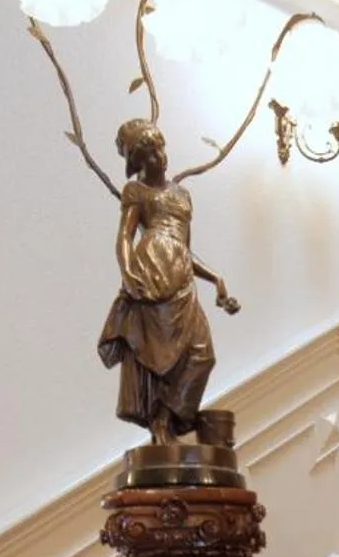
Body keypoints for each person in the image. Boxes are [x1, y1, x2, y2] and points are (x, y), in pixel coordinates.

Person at [96, 119, 241, 445]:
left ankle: (166, 416)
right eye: (149, 154)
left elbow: (183, 248)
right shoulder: (136, 191)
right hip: (151, 276)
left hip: (180, 279)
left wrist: (216, 279)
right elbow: (124, 236)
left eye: (160, 148)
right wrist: (128, 273)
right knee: (159, 360)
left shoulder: (182, 195)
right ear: (136, 161)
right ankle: (160, 425)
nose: (159, 157)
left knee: (203, 354)